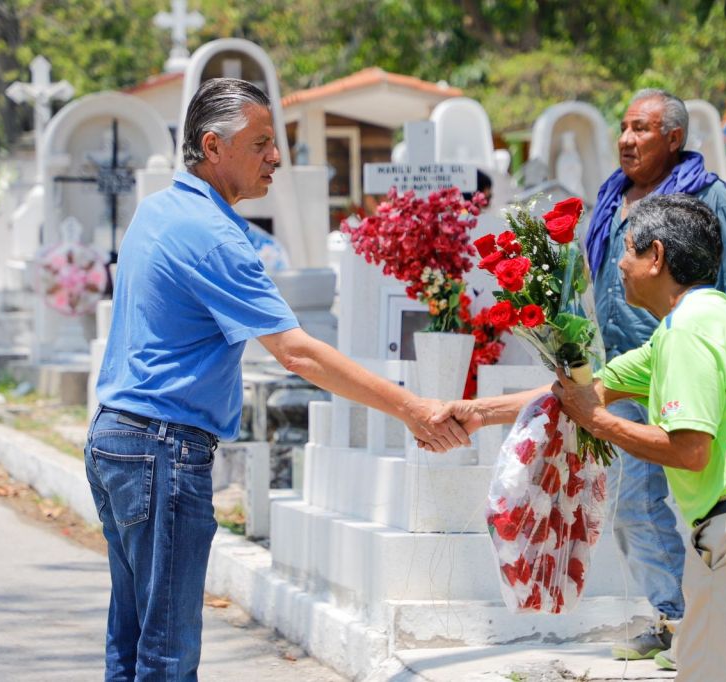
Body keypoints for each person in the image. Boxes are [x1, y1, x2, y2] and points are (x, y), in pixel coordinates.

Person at [86, 78, 469, 680]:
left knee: (131, 637)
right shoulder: (213, 236)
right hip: (161, 451)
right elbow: (298, 354)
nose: (277, 157)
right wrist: (412, 407)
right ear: (214, 147)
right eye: (262, 142)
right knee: (164, 650)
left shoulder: (161, 208)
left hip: (118, 440)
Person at [435, 194, 726, 682]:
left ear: (657, 256)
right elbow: (583, 391)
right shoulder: (703, 326)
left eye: (627, 249)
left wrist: (597, 422)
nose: (619, 264)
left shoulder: (691, 330)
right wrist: (478, 412)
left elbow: (689, 450)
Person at [585, 88, 726, 667]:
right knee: (635, 505)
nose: (627, 139)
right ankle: (676, 619)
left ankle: (709, 622)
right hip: (632, 371)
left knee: (713, 501)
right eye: (624, 127)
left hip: (692, 369)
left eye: (642, 129)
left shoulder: (707, 196)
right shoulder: (612, 199)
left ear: (674, 139)